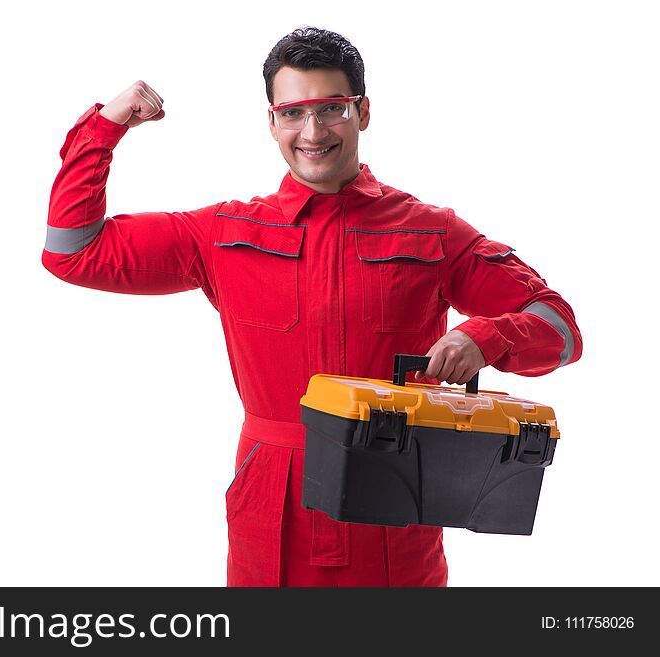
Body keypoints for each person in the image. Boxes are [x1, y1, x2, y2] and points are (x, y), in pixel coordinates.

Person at [41, 27, 583, 586]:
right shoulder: (222, 234)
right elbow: (73, 252)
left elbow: (560, 326)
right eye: (294, 112)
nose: (314, 131)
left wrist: (485, 338)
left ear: (363, 112)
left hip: (393, 511)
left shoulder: (430, 232)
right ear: (272, 121)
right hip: (272, 515)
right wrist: (104, 129)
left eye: (332, 110)